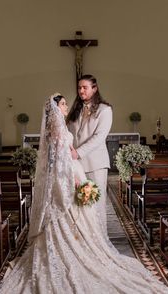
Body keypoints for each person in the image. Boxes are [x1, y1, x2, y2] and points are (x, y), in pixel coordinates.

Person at [0, 93, 168, 294]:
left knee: (74, 215)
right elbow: (61, 160)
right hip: (70, 173)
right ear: (55, 108)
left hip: (68, 171)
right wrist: (76, 180)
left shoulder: (56, 127)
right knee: (71, 213)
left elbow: (58, 157)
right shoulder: (58, 129)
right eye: (62, 104)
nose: (66, 106)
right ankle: (76, 251)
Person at [67, 74, 112, 238]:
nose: (81, 91)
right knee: (78, 204)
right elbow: (70, 134)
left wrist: (78, 152)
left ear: (95, 88)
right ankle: (84, 242)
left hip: (95, 164)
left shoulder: (105, 110)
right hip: (76, 165)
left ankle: (100, 241)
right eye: (79, 88)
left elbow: (99, 137)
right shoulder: (75, 109)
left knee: (96, 204)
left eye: (85, 87)